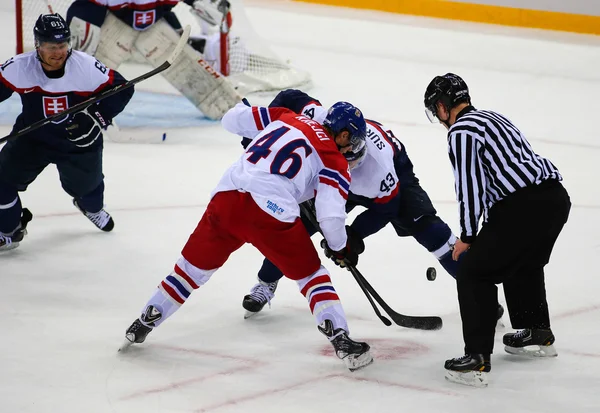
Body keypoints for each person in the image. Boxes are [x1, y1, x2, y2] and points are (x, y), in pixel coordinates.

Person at [121, 100, 374, 372]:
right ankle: (341, 339)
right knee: (311, 275)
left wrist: (257, 126)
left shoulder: (286, 116)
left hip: (227, 198)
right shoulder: (334, 159)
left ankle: (145, 321)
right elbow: (330, 217)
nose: (351, 149)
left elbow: (230, 120)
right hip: (270, 211)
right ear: (343, 134)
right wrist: (339, 247)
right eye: (352, 141)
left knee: (189, 270)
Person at [237, 90, 504, 322]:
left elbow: (386, 209)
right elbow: (288, 98)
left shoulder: (376, 171)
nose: (351, 161)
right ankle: (266, 282)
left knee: (429, 230)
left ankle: (482, 296)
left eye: (354, 156)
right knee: (295, 230)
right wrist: (260, 132)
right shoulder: (317, 117)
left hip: (395, 178)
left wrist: (352, 238)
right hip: (328, 170)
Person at [423, 73, 571, 387]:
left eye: (436, 111)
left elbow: (471, 187)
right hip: (555, 199)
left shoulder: (461, 131)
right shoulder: (492, 117)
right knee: (524, 261)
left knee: (473, 270)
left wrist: (467, 237)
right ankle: (537, 333)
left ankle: (476, 359)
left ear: (442, 105)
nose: (439, 119)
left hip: (523, 207)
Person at [0, 13, 134, 252]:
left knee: (89, 192)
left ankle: (90, 207)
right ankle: (9, 231)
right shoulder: (20, 67)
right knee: (1, 182)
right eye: (51, 46)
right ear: (38, 45)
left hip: (79, 141)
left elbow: (123, 89)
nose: (58, 52)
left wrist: (97, 117)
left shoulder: (85, 67)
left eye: (62, 45)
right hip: (33, 138)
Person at [65, 0, 240, 120]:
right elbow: (84, 12)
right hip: (115, 25)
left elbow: (213, 9)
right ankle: (72, 107)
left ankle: (232, 110)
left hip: (153, 26)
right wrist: (80, 49)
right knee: (85, 69)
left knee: (224, 105)